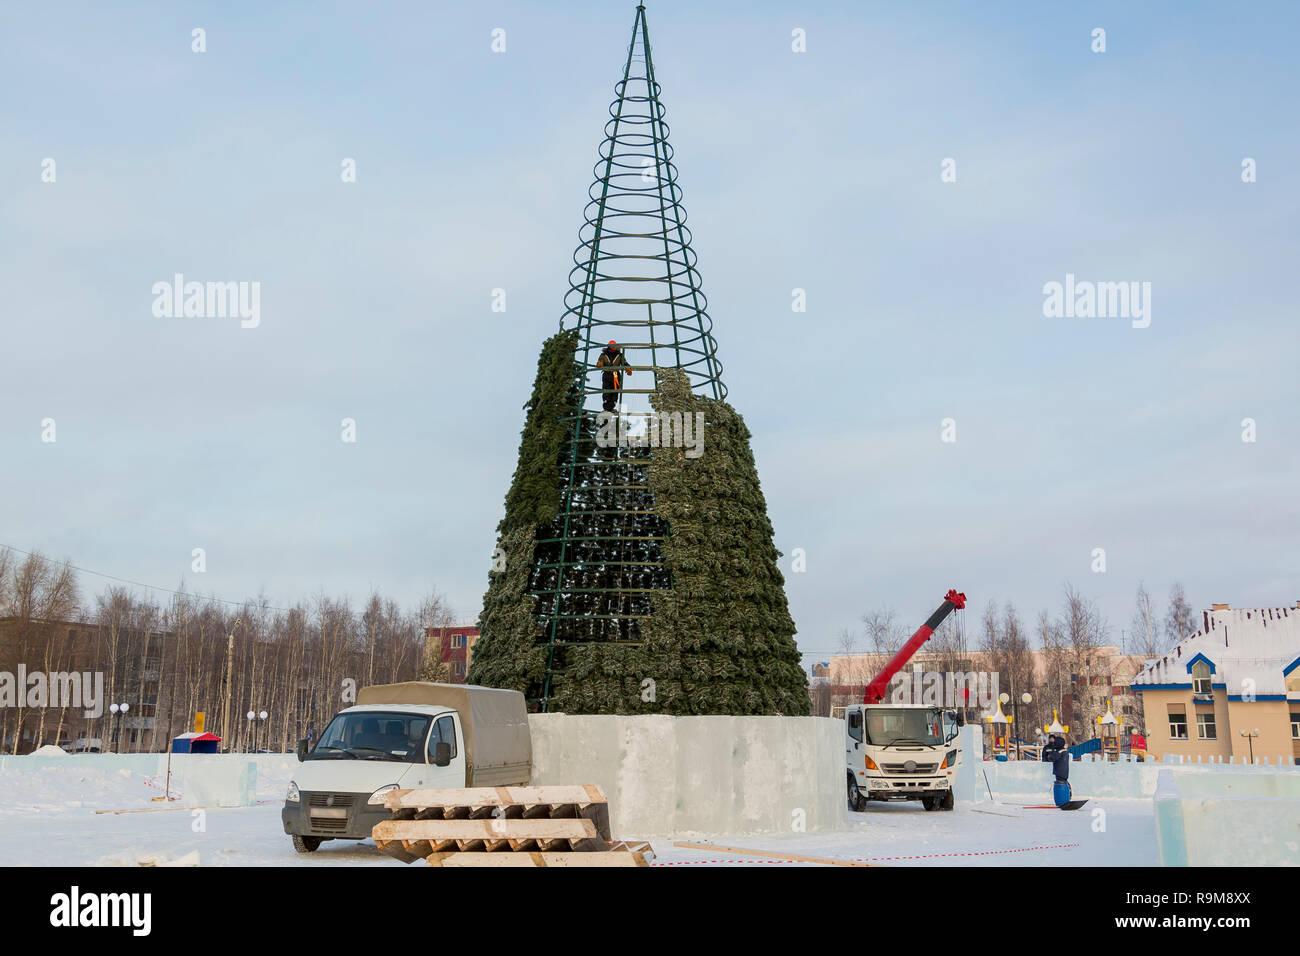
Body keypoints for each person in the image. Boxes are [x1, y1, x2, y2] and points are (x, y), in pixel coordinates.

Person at [596, 340, 631, 412]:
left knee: (615, 391)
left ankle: (611, 407)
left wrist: (628, 368)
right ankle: (607, 407)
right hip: (607, 374)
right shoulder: (604, 355)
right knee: (606, 391)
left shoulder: (619, 355)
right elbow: (600, 361)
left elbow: (624, 362)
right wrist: (600, 364)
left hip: (615, 375)